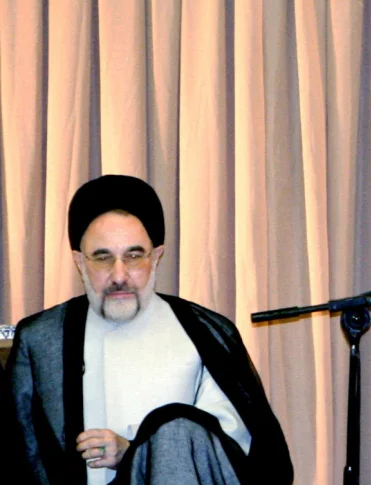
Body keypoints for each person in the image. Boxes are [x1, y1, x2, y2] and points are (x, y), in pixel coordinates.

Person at [3, 175, 293, 485]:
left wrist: (136, 452)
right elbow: (22, 449)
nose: (119, 275)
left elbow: (235, 448)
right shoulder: (40, 338)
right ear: (79, 262)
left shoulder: (205, 332)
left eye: (133, 256)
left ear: (156, 256)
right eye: (102, 257)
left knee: (174, 429)